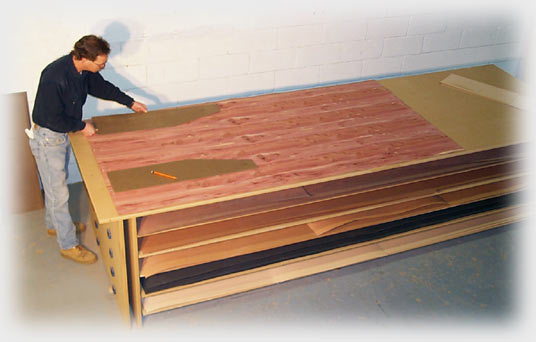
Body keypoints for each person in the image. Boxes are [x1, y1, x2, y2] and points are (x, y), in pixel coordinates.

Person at [29, 35, 148, 264]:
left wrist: (129, 102)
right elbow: (52, 118)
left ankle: (55, 224)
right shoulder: (54, 77)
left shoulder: (83, 72)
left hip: (60, 132)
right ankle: (68, 245)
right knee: (59, 192)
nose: (102, 67)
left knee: (56, 186)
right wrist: (82, 126)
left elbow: (101, 87)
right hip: (48, 136)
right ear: (83, 58)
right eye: (100, 64)